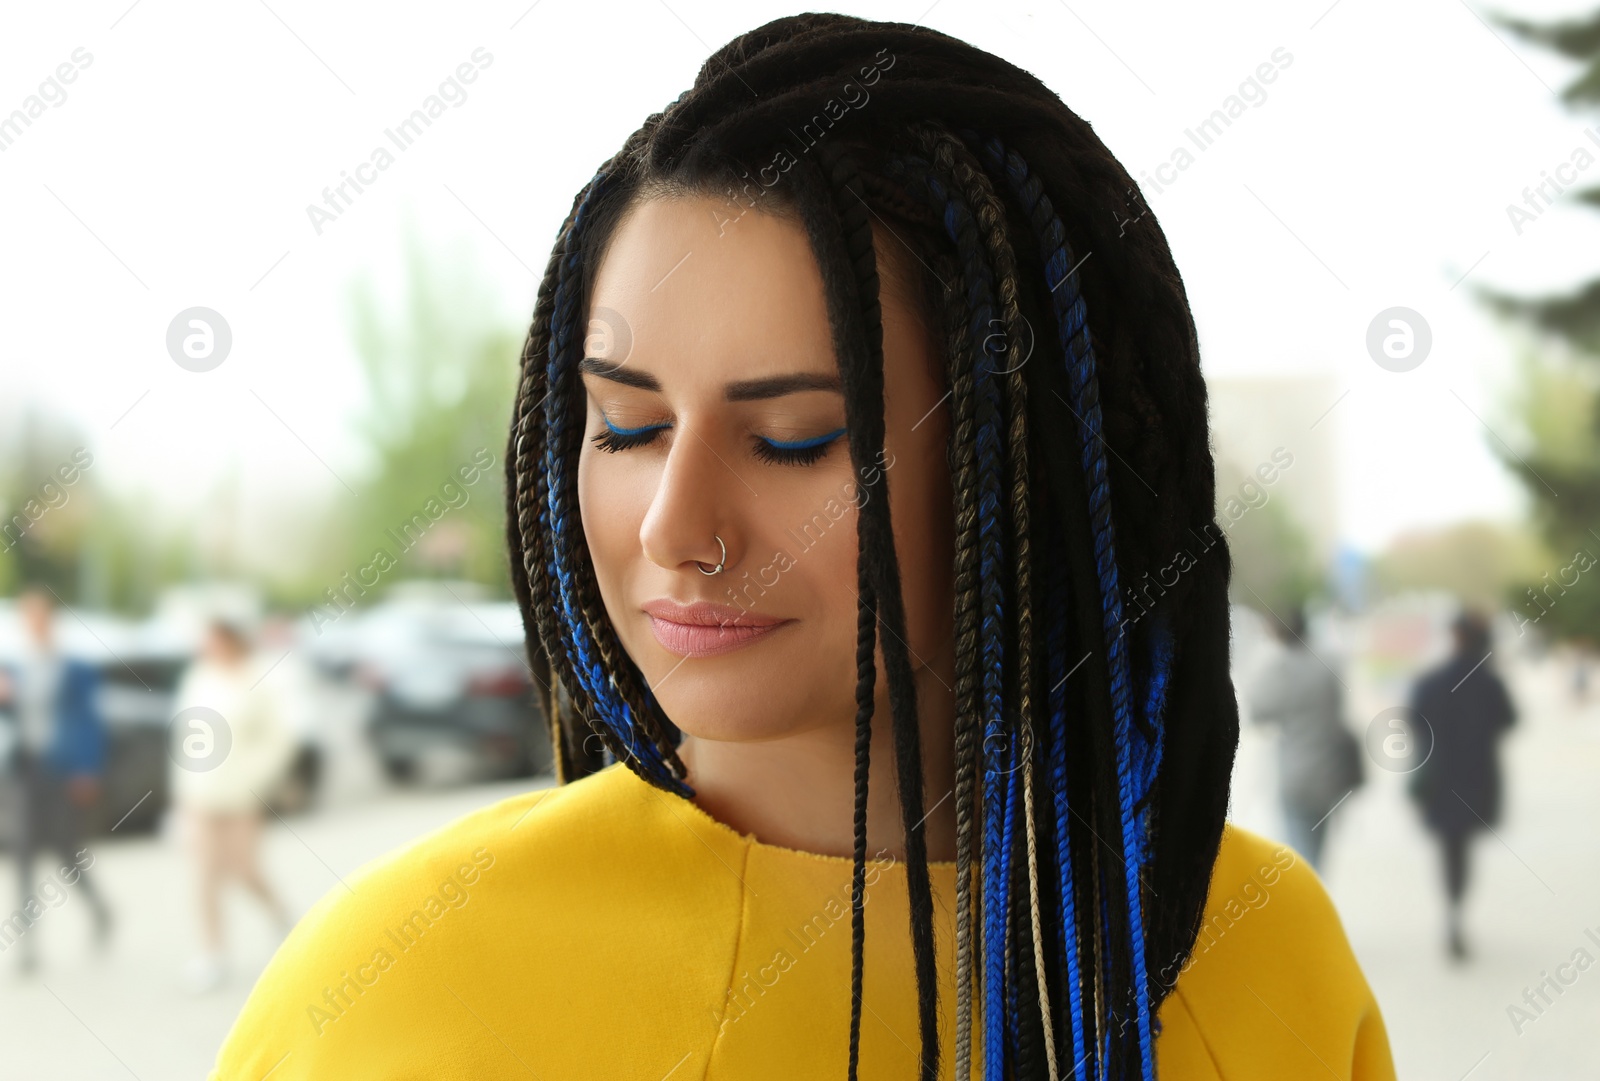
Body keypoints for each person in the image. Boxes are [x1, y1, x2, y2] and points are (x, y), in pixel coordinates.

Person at [209, 15, 1395, 1079]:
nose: (674, 525)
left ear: (1018, 470)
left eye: (792, 439)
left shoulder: (1264, 955)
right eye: (625, 426)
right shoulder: (396, 990)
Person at [169, 617, 297, 993]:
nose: (208, 648)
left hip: (241, 793)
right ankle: (213, 953)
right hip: (201, 792)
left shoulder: (257, 679)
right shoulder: (198, 678)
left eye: (214, 640)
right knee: (205, 873)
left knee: (244, 867)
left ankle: (280, 915)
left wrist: (256, 776)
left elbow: (277, 737)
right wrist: (181, 792)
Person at [0, 585, 113, 973]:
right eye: (28, 616)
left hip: (62, 770)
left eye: (41, 615)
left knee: (66, 852)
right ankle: (28, 945)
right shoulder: (11, 668)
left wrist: (87, 768)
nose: (35, 623)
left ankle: (100, 909)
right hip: (24, 769)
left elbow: (88, 722)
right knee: (24, 853)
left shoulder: (75, 668)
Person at [1406, 608, 1516, 962]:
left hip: (1440, 779)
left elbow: (1414, 722)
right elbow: (1509, 721)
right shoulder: (1489, 682)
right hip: (1477, 780)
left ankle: (1452, 909)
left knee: (1449, 849)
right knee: (1462, 849)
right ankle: (1457, 908)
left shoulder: (1431, 682)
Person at [1247, 605, 1364, 872]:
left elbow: (1258, 713)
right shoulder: (1330, 662)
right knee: (1316, 848)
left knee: (1299, 853)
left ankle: (1308, 903)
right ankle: (1315, 896)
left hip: (1295, 773)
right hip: (1329, 772)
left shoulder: (1279, 668)